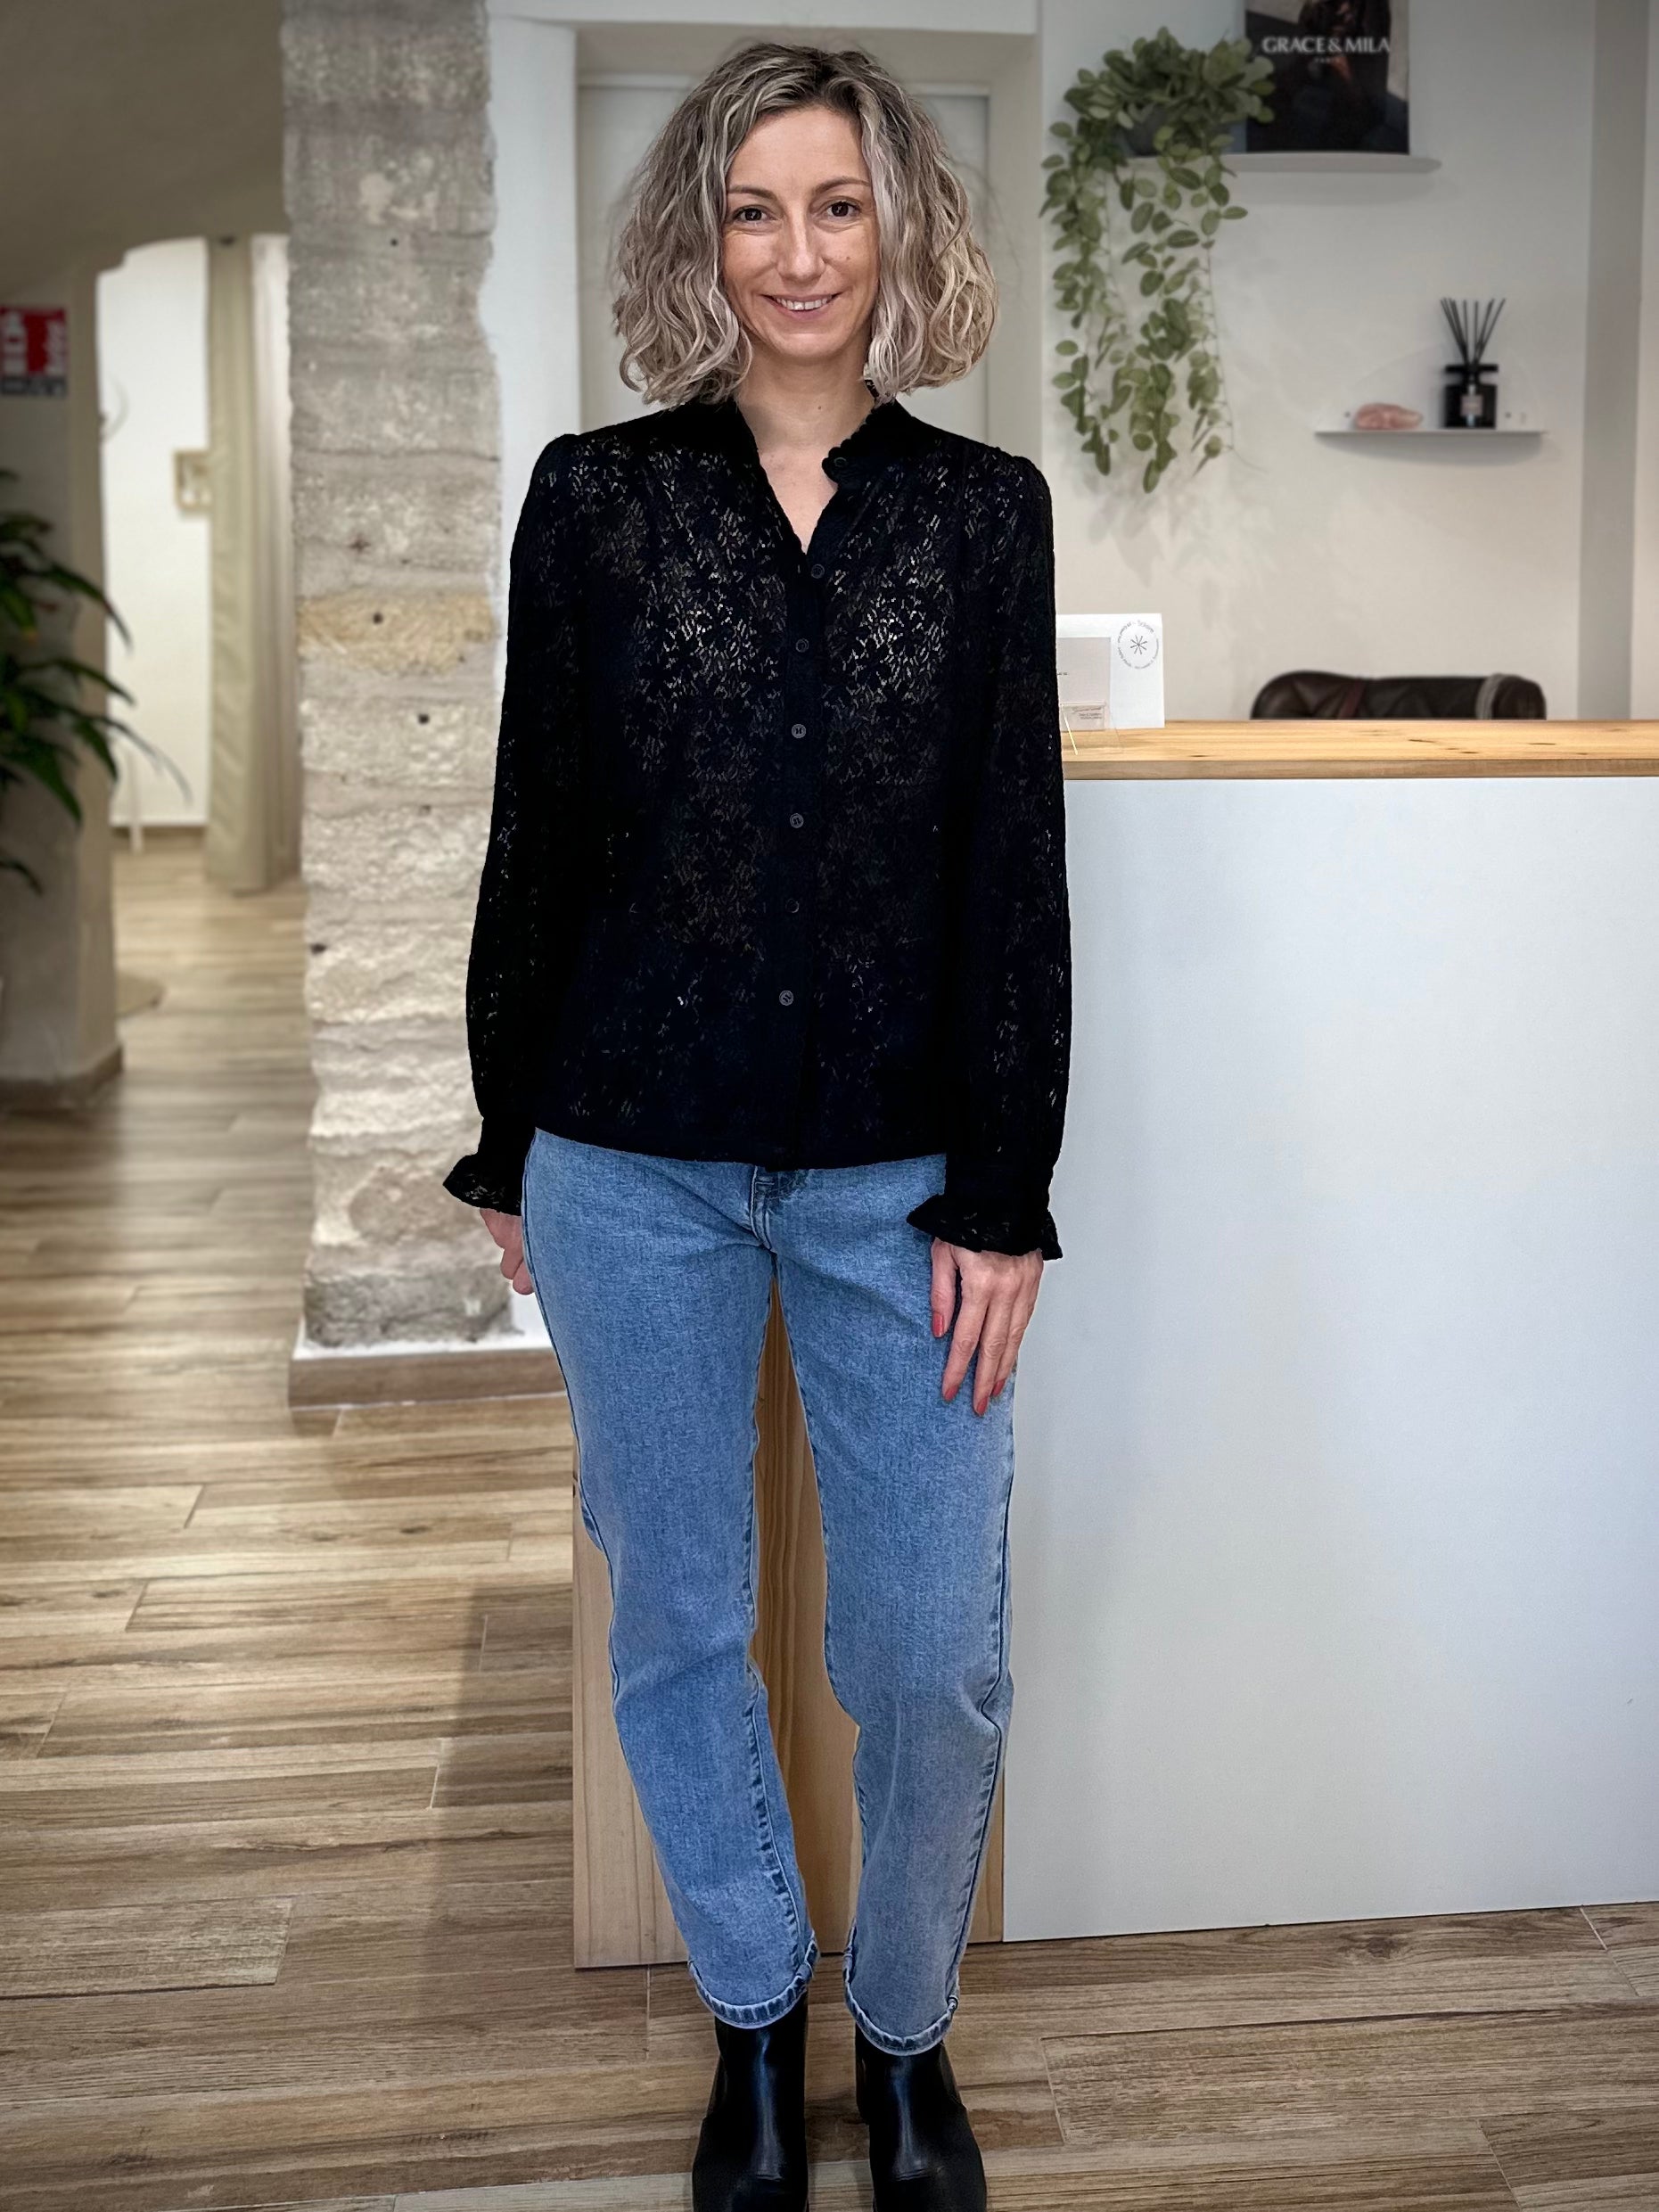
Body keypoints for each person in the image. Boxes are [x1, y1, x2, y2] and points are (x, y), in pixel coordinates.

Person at [443, 38, 1071, 2212]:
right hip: (630, 1156)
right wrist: (508, 1142)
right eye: (751, 209)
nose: (796, 253)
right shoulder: (595, 499)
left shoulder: (983, 516)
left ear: (899, 227)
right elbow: (537, 840)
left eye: (835, 205)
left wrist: (1005, 1190)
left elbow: (1010, 875)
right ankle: (747, 2024)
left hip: (906, 1176)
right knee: (681, 1616)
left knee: (931, 1652)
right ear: (694, 239)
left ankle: (899, 2026)